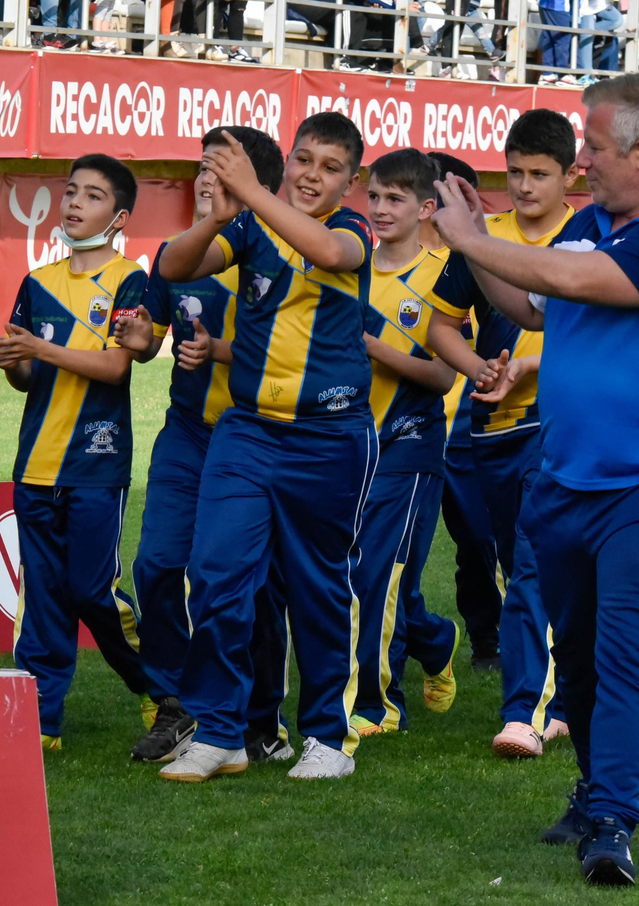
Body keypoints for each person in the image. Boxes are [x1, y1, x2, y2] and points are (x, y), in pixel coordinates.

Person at [431, 73, 639, 886]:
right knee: (586, 658)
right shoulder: (591, 226)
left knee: (628, 648)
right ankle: (594, 790)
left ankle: (612, 821)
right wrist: (477, 237)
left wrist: (470, 239)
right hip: (567, 482)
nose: (581, 163)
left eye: (593, 148)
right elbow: (533, 305)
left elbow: (576, 281)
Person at [155, 113, 378, 784]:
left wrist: (251, 193)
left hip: (330, 437)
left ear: (352, 181)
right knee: (218, 572)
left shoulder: (350, 230)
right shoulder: (251, 225)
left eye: (329, 166)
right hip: (247, 430)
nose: (311, 174)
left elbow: (332, 256)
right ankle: (221, 732)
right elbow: (172, 267)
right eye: (303, 159)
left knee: (317, 587)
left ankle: (327, 739)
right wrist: (217, 218)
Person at [119, 125, 295, 765]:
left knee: (255, 585)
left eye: (221, 170)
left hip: (261, 437)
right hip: (189, 436)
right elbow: (148, 336)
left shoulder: (284, 253)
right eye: (203, 166)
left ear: (257, 186)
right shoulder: (178, 253)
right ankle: (178, 704)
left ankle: (259, 718)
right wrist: (141, 339)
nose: (205, 179)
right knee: (158, 565)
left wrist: (224, 350)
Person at [0, 154, 153, 750]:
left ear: (120, 215)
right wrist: (15, 362)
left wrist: (40, 351)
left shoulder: (131, 280)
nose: (75, 203)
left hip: (95, 463)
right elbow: (28, 376)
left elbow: (113, 366)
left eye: (93, 195)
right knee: (45, 596)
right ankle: (43, 718)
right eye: (71, 192)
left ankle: (159, 686)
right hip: (35, 465)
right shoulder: (38, 282)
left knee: (92, 589)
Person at [426, 109, 580, 761]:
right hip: (490, 432)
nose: (524, 186)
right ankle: (570, 694)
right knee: (528, 568)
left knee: (533, 569)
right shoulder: (484, 239)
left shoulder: (590, 238)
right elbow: (440, 325)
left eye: (539, 174)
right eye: (514, 172)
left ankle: (523, 712)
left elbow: (599, 331)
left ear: (570, 176)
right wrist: (480, 370)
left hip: (565, 429)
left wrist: (530, 366)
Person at [349, 148, 461, 736]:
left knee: (380, 576)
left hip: (412, 443)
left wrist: (375, 348)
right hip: (348, 443)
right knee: (358, 576)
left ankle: (378, 704)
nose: (381, 208)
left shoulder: (443, 272)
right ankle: (435, 640)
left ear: (425, 208)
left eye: (396, 199)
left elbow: (444, 376)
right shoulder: (350, 265)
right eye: (374, 196)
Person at [428, 151, 501, 673]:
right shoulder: (375, 256)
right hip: (390, 424)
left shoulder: (482, 254)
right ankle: (411, 637)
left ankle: (488, 641)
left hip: (466, 424)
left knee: (480, 539)